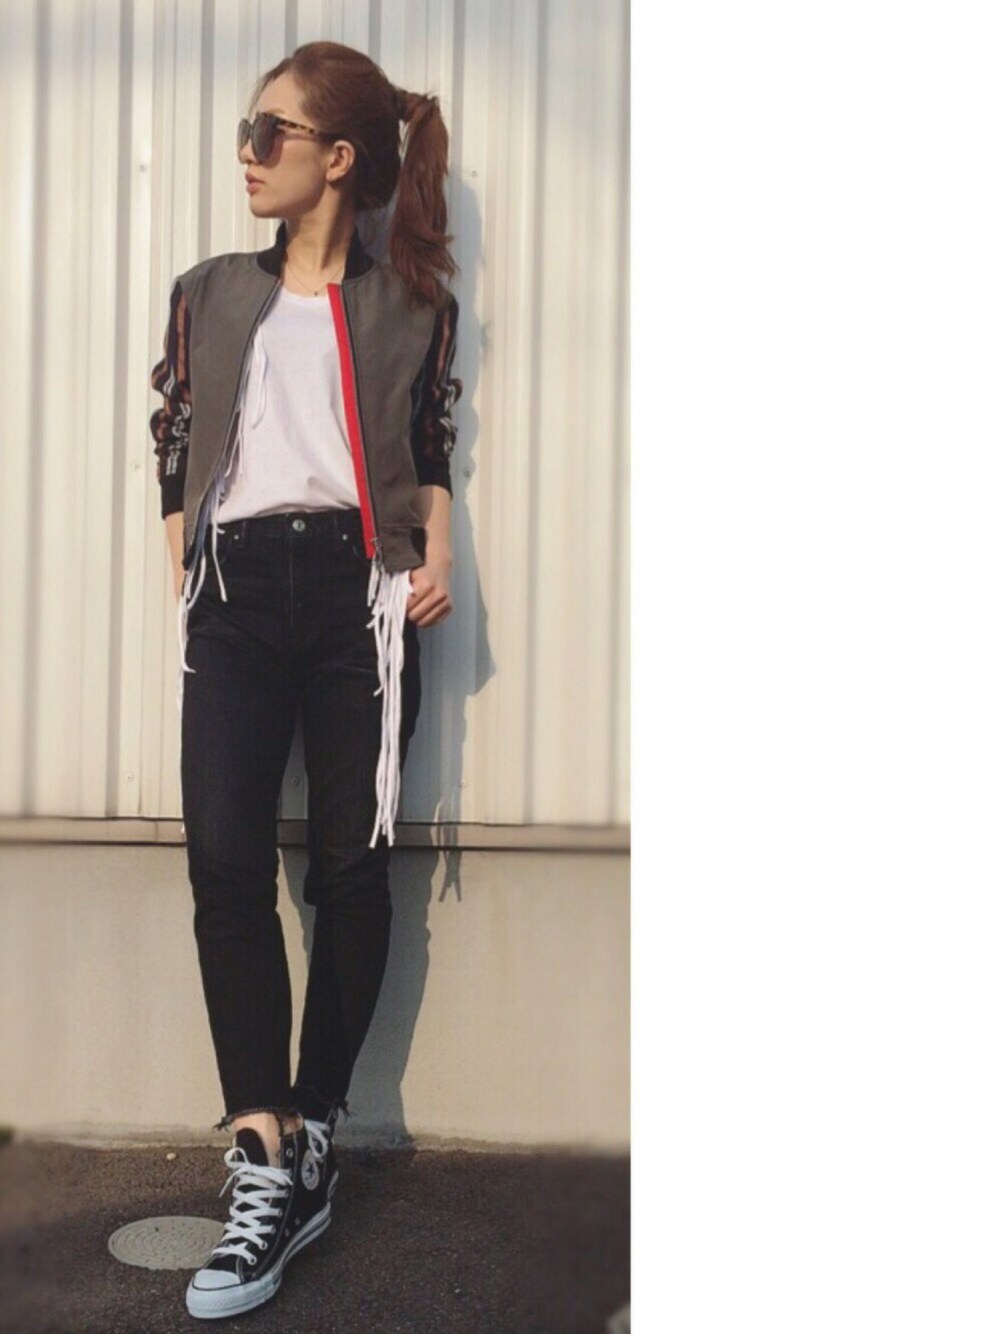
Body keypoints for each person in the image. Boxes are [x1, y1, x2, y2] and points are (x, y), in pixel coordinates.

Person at [147, 40, 463, 1322]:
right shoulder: (210, 289)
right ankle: (260, 1146)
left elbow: (429, 437)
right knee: (224, 862)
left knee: (349, 867)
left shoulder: (410, 305)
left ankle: (314, 1128)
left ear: (336, 158)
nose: (246, 151)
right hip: (234, 595)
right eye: (248, 127)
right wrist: (185, 550)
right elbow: (175, 427)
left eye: (267, 131)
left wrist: (436, 550)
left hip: (357, 597)